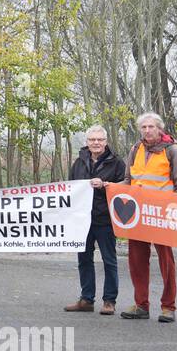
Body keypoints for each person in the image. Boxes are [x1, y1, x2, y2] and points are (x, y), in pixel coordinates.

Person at [120, 112, 177, 322]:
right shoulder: (135, 149)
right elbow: (128, 181)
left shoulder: (172, 151)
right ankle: (141, 305)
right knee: (137, 260)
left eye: (151, 127)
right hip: (137, 213)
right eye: (143, 127)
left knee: (166, 261)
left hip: (161, 215)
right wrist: (107, 186)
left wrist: (171, 207)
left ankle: (168, 307)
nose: (147, 130)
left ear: (160, 129)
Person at [64, 125, 128, 314]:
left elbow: (123, 190)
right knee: (84, 259)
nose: (96, 143)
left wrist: (105, 185)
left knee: (109, 260)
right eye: (92, 140)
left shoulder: (117, 163)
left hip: (106, 219)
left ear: (106, 142)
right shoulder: (79, 162)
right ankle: (86, 299)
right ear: (87, 142)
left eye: (100, 139)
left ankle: (109, 301)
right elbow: (70, 188)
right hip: (82, 220)